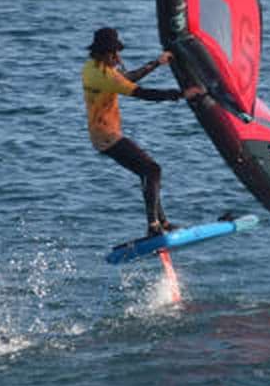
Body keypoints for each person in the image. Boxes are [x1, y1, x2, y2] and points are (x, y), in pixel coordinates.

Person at [82, 27, 196, 238]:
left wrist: (156, 63)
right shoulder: (104, 74)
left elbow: (126, 78)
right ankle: (154, 226)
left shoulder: (92, 68)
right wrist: (180, 95)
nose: (118, 58)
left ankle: (161, 222)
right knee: (152, 170)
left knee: (147, 172)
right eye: (116, 53)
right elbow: (142, 93)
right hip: (107, 136)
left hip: (102, 134)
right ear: (108, 53)